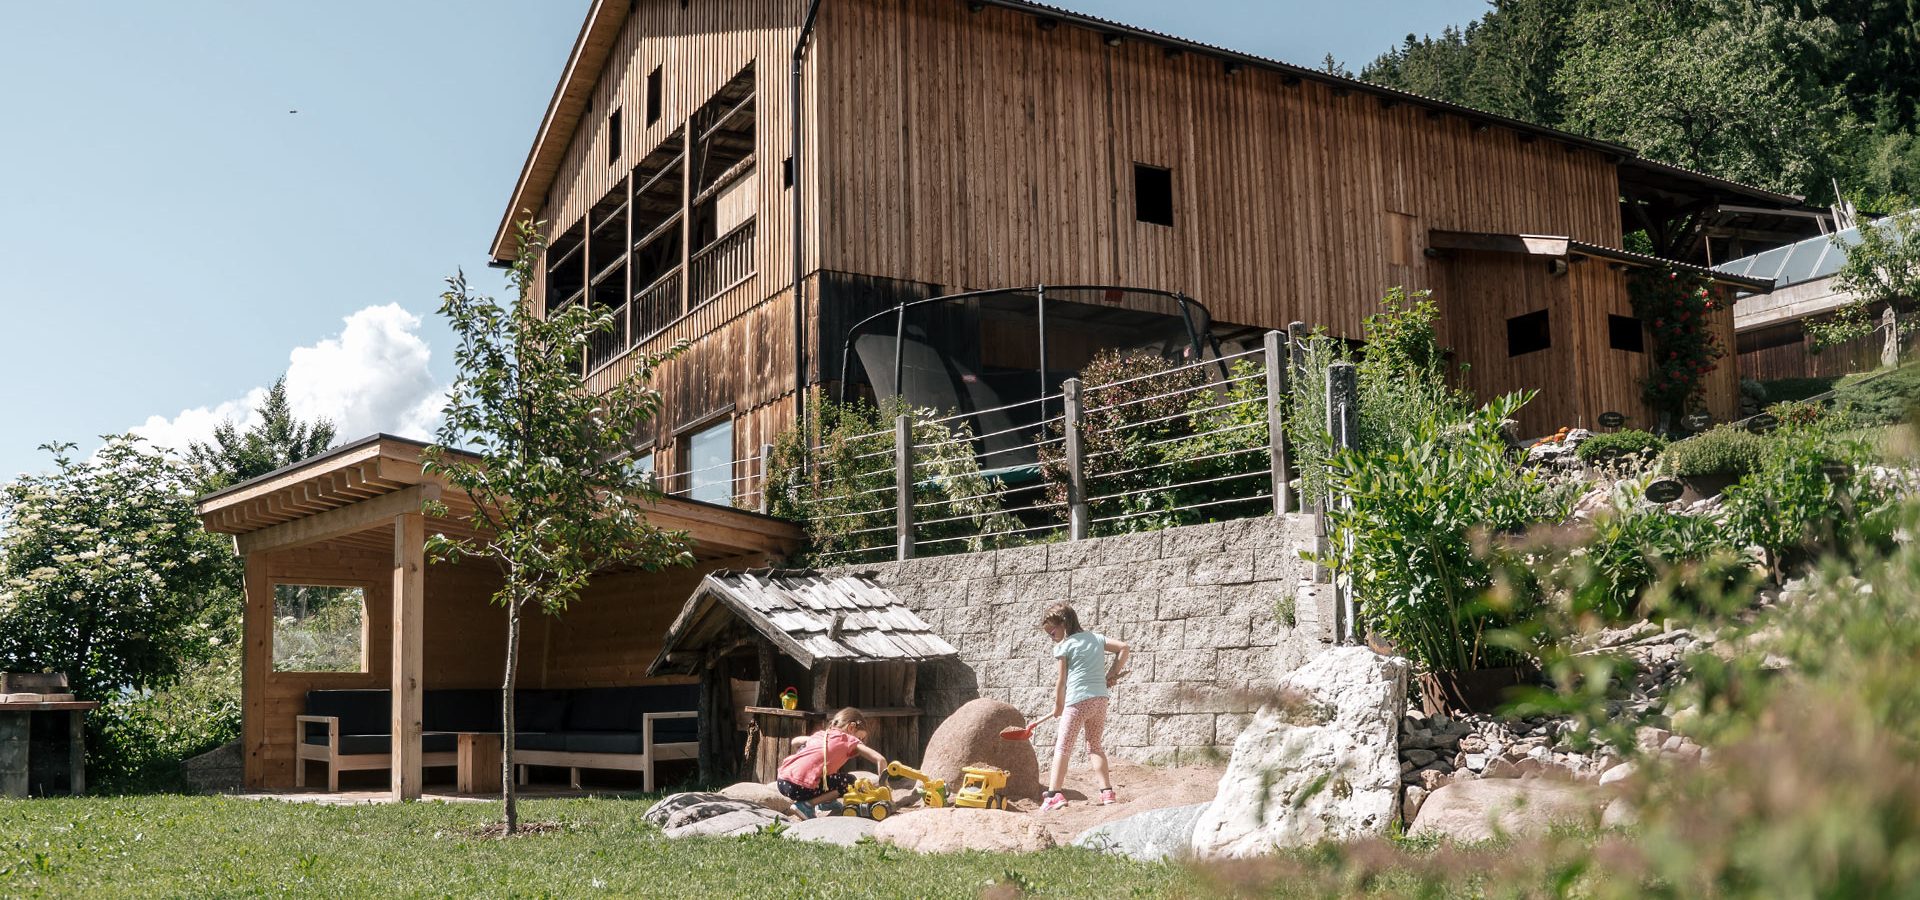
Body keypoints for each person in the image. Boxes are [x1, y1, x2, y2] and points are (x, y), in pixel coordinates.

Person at [1036, 601, 1130, 812]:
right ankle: (1107, 792)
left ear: (1064, 624)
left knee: (1063, 746)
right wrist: (1111, 674)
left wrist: (1059, 705)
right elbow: (1124, 648)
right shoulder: (1096, 638)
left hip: (1077, 701)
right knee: (1094, 745)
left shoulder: (1064, 646)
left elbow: (1061, 681)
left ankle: (1053, 794)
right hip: (1100, 700)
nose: (1051, 636)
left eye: (1052, 631)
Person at [774, 706, 887, 818]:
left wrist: (810, 743)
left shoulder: (821, 735)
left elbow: (795, 741)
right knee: (849, 781)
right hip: (799, 787)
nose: (861, 741)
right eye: (860, 738)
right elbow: (880, 759)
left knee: (829, 773)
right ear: (851, 727)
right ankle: (806, 805)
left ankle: (826, 802)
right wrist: (884, 787)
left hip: (782, 781)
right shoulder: (849, 740)